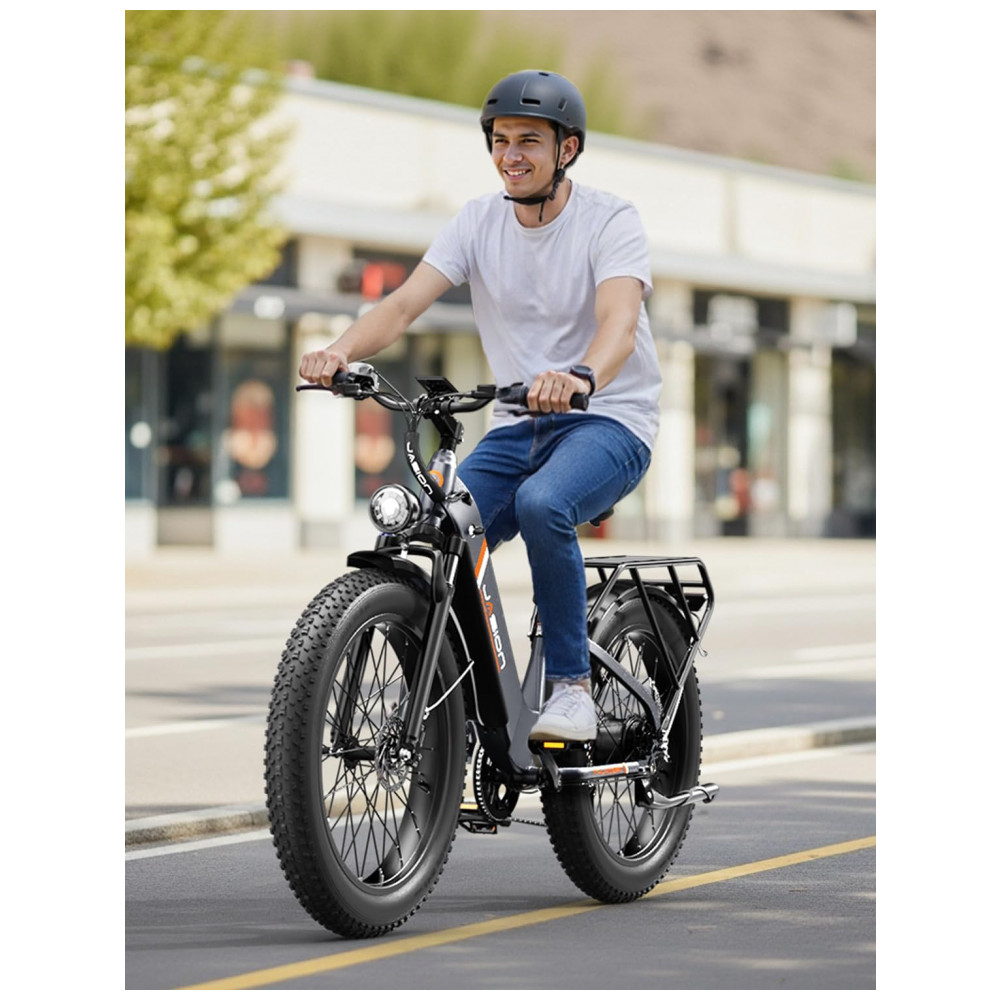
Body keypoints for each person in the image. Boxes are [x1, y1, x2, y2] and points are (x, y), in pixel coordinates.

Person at [299, 69, 662, 743]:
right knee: (440, 530)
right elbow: (402, 305)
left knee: (543, 504)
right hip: (518, 424)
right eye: (500, 140)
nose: (510, 155)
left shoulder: (610, 220)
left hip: (609, 420)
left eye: (528, 140)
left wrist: (581, 376)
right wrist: (339, 352)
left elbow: (618, 322)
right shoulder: (477, 222)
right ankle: (454, 700)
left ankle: (573, 689)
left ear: (567, 149)